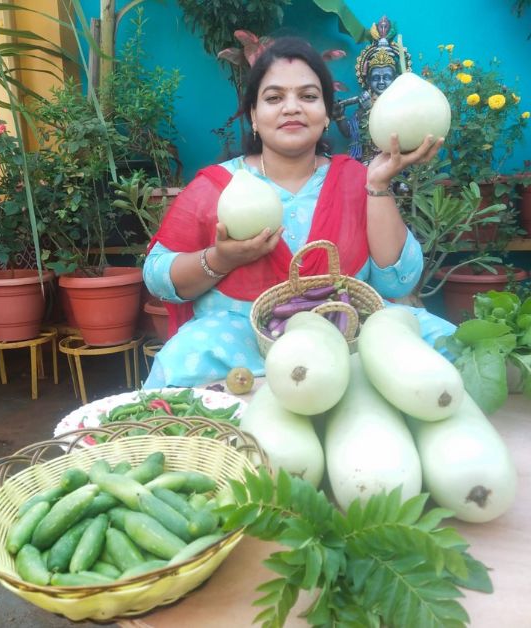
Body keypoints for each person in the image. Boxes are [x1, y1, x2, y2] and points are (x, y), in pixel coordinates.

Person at [142, 36, 455, 389]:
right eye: (274, 98)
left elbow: (397, 282)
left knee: (444, 343)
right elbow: (158, 278)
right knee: (184, 359)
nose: (292, 107)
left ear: (325, 115)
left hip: (347, 333)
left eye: (308, 96)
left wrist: (379, 185)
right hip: (239, 341)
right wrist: (220, 259)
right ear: (253, 117)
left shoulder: (357, 179)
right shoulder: (218, 187)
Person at [331, 16, 412, 162]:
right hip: (366, 160)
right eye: (375, 78)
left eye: (386, 77)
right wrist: (339, 117)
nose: (381, 82)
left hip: (395, 161)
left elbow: (399, 130)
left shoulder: (401, 104)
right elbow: (350, 132)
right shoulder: (363, 104)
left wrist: (371, 110)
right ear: (367, 80)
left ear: (396, 78)